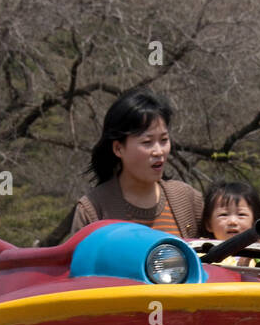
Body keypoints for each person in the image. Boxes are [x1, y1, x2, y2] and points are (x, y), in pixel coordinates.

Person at [67, 89, 203, 240]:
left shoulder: (187, 199)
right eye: (147, 142)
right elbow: (80, 262)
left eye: (164, 140)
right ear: (118, 148)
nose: (159, 151)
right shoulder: (93, 209)